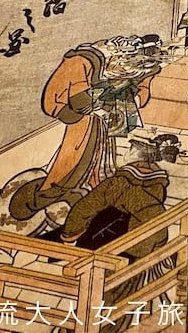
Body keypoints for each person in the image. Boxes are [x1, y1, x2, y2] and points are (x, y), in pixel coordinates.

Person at [8, 35, 164, 221]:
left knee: (102, 159)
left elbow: (141, 92)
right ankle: (46, 197)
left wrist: (124, 101)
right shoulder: (84, 61)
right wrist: (104, 104)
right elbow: (75, 101)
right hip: (80, 118)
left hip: (100, 121)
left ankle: (91, 189)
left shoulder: (135, 68)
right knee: (75, 163)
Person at [61, 138, 174, 333]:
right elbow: (155, 220)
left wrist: (69, 234)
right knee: (119, 294)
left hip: (107, 246)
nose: (127, 152)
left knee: (99, 293)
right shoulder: (156, 186)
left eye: (130, 149)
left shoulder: (118, 183)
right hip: (137, 247)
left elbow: (85, 207)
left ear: (136, 156)